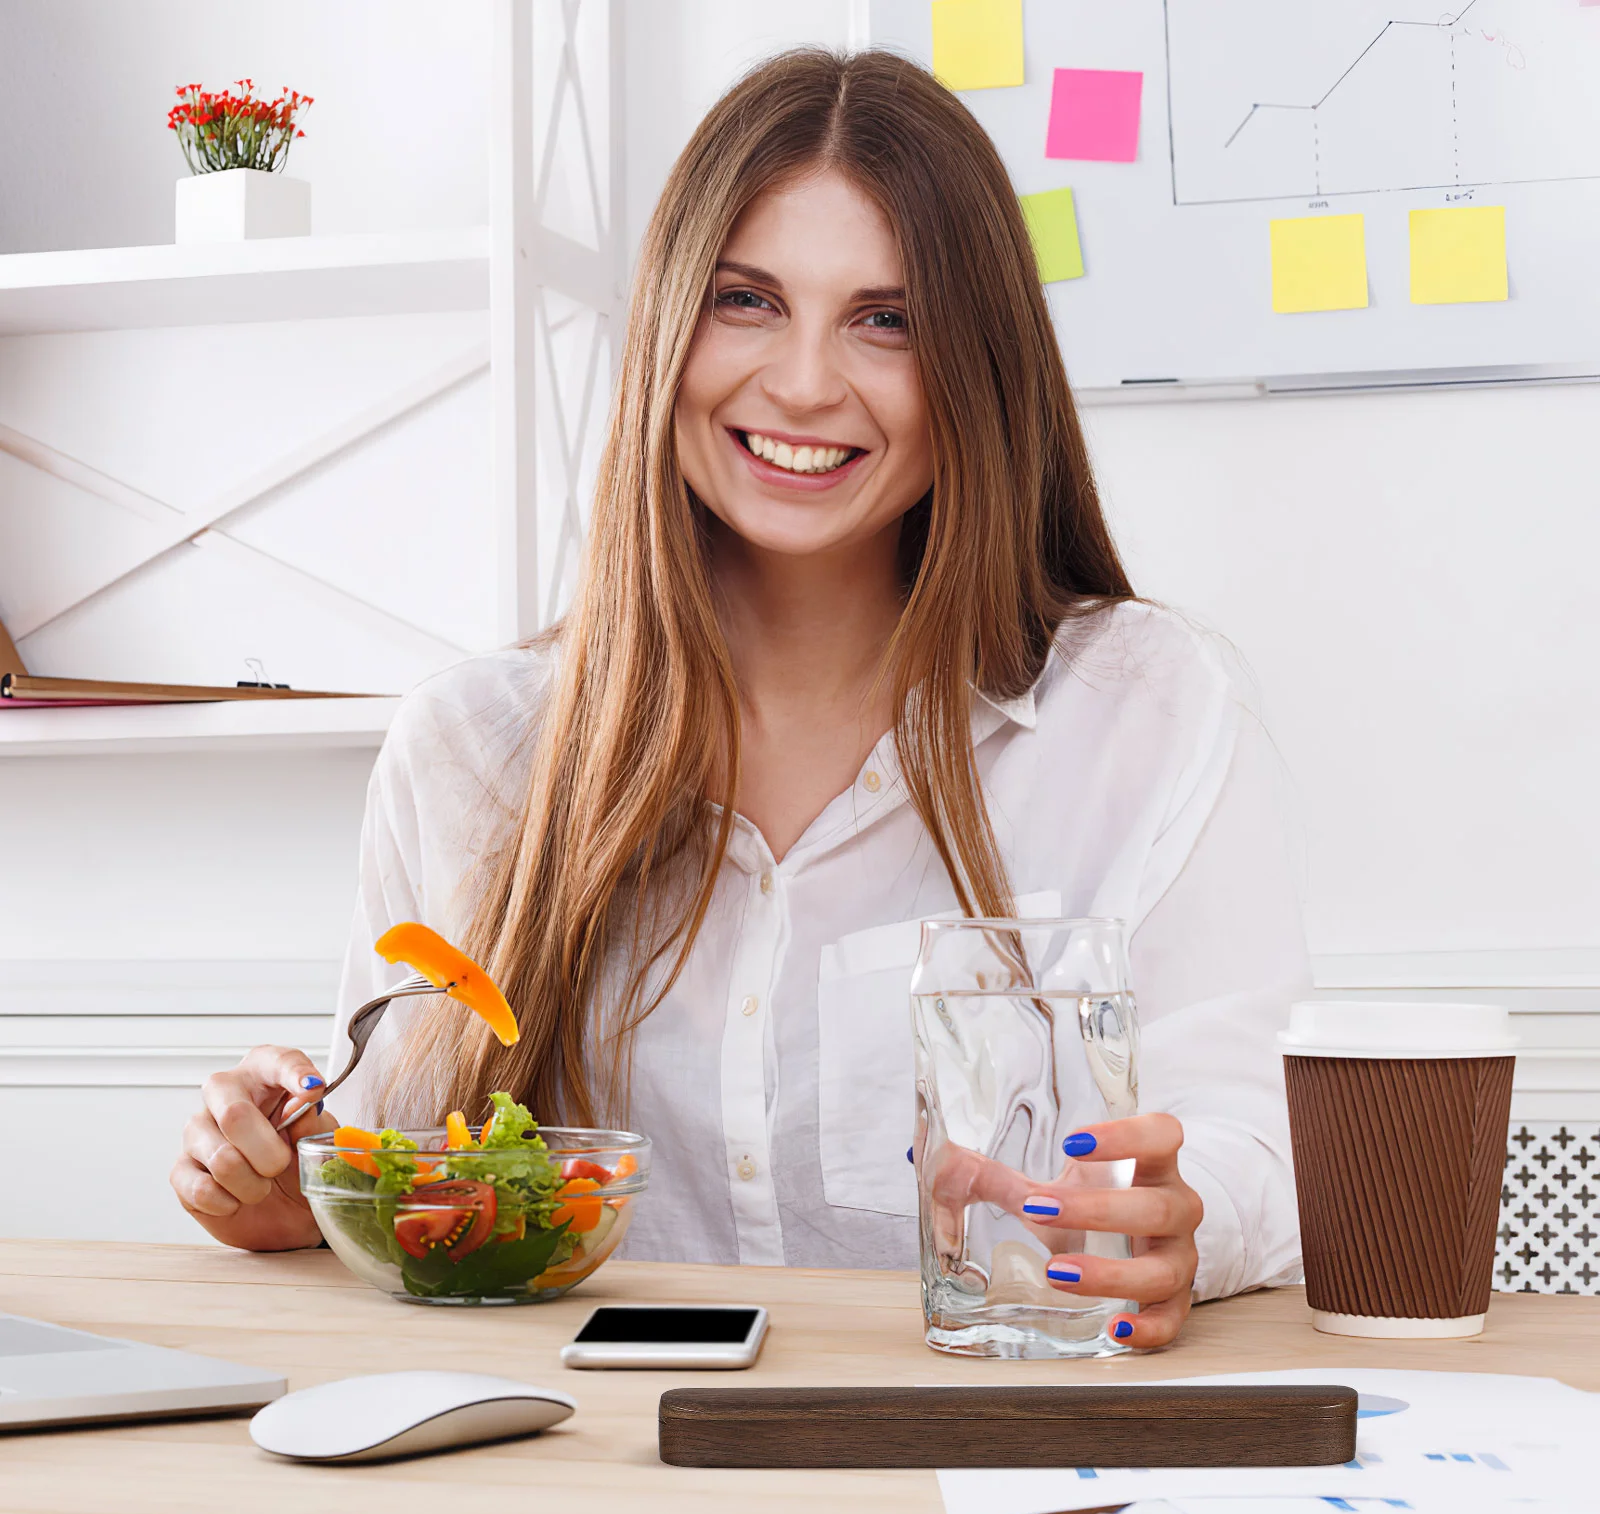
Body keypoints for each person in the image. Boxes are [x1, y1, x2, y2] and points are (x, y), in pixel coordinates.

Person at [170, 48, 1307, 1347]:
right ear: (666, 329)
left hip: (1001, 1460)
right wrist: (297, 1190)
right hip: (591, 1480)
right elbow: (403, 1177)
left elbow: (1254, 1138)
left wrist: (1181, 1213)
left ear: (979, 368)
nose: (807, 382)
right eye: (748, 301)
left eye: (888, 319)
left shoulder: (1146, 711)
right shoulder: (472, 752)